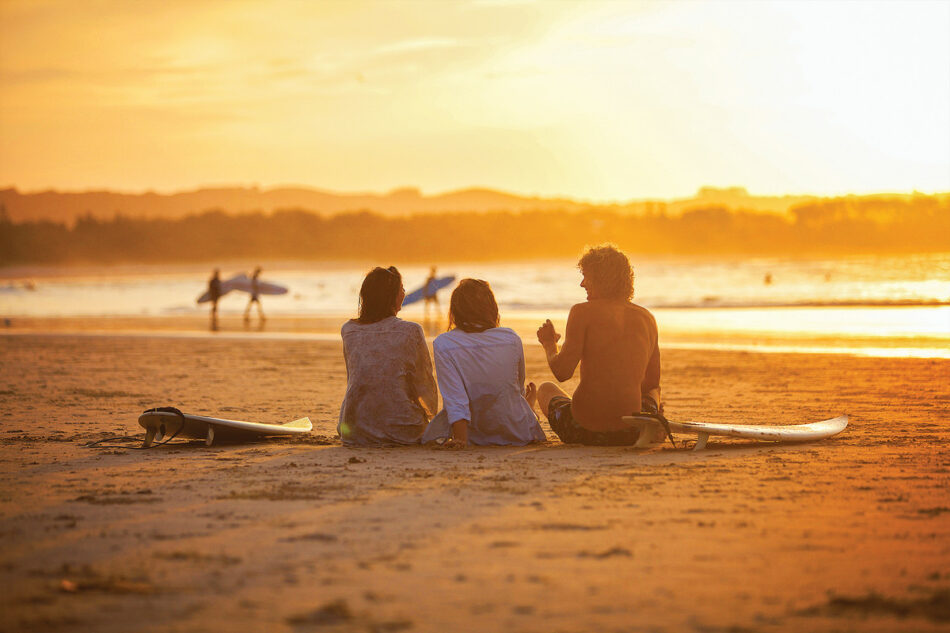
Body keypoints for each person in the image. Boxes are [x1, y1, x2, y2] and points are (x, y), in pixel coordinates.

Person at [535, 245, 661, 446]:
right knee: (655, 393)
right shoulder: (647, 318)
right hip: (632, 432)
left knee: (545, 389)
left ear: (602, 279)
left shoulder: (581, 312)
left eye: (586, 277)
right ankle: (653, 426)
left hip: (582, 431)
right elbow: (652, 382)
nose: (582, 284)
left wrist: (550, 345)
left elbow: (562, 372)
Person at [421, 279, 546, 447]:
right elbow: (516, 386)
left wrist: (460, 440)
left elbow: (455, 398)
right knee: (514, 396)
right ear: (492, 308)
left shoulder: (444, 344)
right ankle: (528, 409)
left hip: (475, 435)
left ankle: (527, 408)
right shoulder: (511, 338)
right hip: (518, 432)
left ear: (456, 310)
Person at [339, 266, 438, 446]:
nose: (404, 293)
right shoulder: (411, 331)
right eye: (402, 289)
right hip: (402, 431)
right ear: (392, 296)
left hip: (354, 431)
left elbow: (354, 380)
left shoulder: (349, 330)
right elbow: (424, 385)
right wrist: (432, 418)